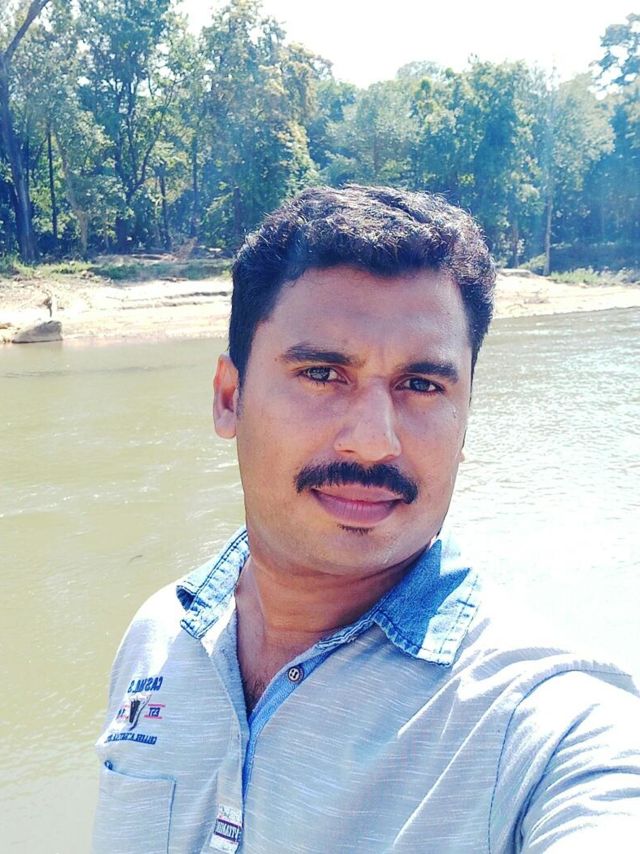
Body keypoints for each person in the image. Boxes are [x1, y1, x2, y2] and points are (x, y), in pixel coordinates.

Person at [93, 186, 640, 853]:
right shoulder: (160, 637)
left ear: (466, 420)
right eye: (323, 374)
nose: (375, 441)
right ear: (230, 398)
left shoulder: (543, 722)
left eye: (422, 386)